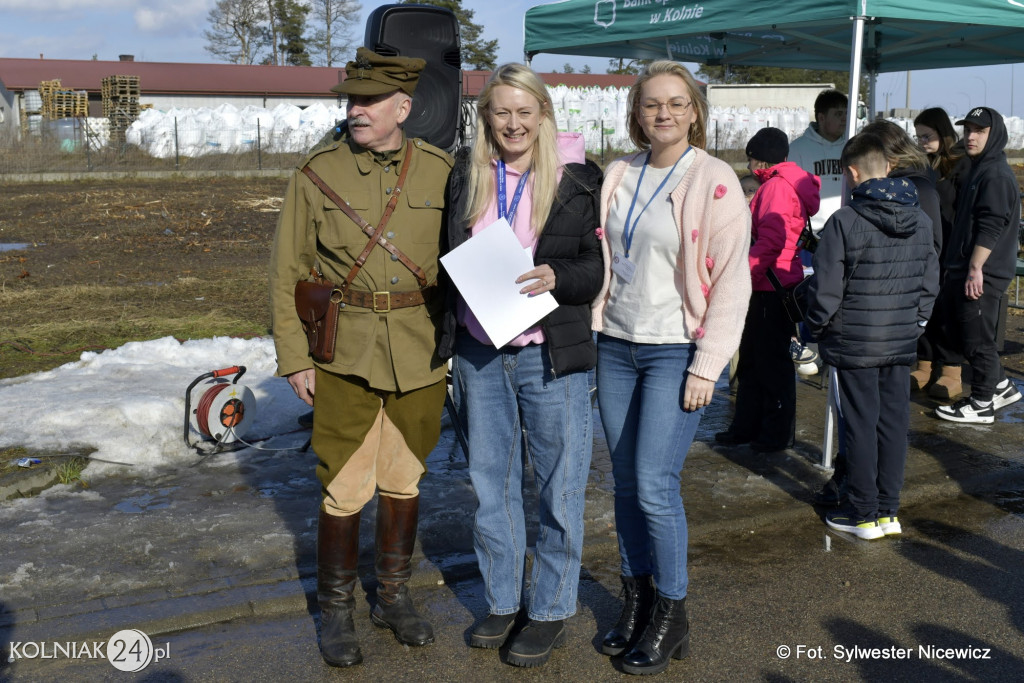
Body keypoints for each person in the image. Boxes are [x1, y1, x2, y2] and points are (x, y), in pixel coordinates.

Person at [268, 47, 453, 668]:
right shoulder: (315, 172)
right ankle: (337, 610)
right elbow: (285, 272)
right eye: (351, 99)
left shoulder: (441, 170)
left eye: (370, 100)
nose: (356, 109)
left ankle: (394, 597)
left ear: (404, 106)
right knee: (344, 487)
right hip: (342, 351)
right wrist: (295, 358)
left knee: (404, 479)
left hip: (419, 349)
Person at [437, 63, 603, 668]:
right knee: (492, 487)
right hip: (482, 354)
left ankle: (553, 607)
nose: (513, 123)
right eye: (501, 112)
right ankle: (503, 600)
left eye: (524, 112)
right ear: (487, 118)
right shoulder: (468, 176)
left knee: (558, 488)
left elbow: (595, 269)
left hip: (548, 355)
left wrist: (559, 276)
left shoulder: (576, 180)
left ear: (542, 115)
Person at [593, 60, 751, 675]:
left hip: (674, 352)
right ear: (636, 113)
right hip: (616, 346)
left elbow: (733, 282)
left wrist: (707, 365)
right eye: (652, 103)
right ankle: (636, 600)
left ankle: (673, 612)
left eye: (677, 103)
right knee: (625, 484)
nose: (664, 113)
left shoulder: (713, 180)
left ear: (695, 112)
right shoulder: (618, 173)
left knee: (656, 485)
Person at [804, 132, 938, 539]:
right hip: (899, 341)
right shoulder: (922, 219)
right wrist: (915, 324)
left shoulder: (844, 221)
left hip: (854, 343)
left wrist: (813, 328)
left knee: (859, 427)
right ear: (889, 168)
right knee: (893, 425)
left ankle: (862, 513)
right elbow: (930, 282)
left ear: (851, 172)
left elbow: (826, 291)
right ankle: (886, 510)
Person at [716, 127, 820, 452]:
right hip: (775, 282)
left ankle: (773, 435)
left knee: (770, 364)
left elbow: (771, 240)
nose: (748, 168)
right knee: (753, 359)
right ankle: (748, 426)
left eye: (749, 160)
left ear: (759, 159)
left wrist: (742, 274)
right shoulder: (788, 183)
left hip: (768, 286)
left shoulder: (775, 187)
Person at [934, 107, 1023, 424]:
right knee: (965, 333)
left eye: (979, 131)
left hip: (983, 272)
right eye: (967, 130)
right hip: (969, 267)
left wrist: (975, 269)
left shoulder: (996, 174)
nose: (970, 137)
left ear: (994, 134)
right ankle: (1000, 385)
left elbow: (991, 225)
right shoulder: (979, 168)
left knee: (977, 341)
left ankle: (982, 403)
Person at [913, 107, 969, 399]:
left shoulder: (960, 165)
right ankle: (924, 362)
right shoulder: (925, 166)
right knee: (926, 304)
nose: (921, 141)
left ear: (942, 132)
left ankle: (951, 368)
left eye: (927, 135)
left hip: (951, 247)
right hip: (928, 246)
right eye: (918, 135)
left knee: (947, 308)